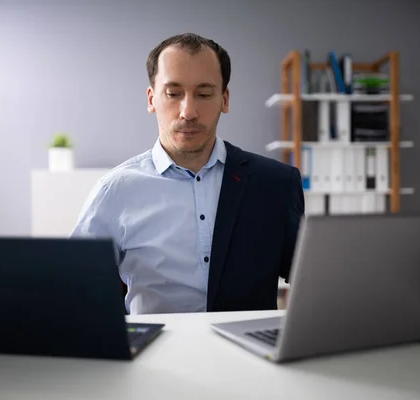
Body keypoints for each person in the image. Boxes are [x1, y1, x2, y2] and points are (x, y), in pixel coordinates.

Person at [71, 32, 305, 315]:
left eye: (204, 94)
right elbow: (75, 290)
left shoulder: (275, 184)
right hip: (150, 354)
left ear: (225, 99)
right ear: (152, 98)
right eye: (173, 93)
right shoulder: (115, 190)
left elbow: (315, 284)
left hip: (245, 356)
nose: (189, 111)